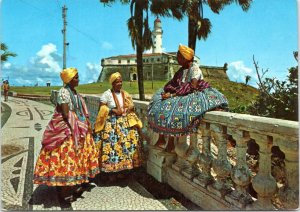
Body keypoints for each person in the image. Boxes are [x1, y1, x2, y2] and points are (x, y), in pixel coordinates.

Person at [33, 67, 100, 202]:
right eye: (76, 77)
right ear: (68, 80)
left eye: (78, 77)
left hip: (78, 126)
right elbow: (65, 113)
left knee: (78, 155)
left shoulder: (75, 93)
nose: (78, 80)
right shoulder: (64, 93)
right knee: (67, 155)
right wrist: (80, 125)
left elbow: (82, 112)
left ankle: (75, 182)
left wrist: (86, 124)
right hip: (66, 128)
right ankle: (64, 191)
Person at [147, 44, 229, 152]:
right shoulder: (181, 70)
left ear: (185, 58)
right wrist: (167, 92)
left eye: (179, 56)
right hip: (180, 93)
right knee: (161, 104)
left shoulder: (194, 69)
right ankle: (162, 138)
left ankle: (170, 143)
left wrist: (172, 95)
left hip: (193, 93)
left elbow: (192, 87)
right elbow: (173, 83)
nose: (177, 58)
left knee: (175, 110)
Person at [93, 72, 143, 181]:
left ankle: (122, 170)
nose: (119, 84)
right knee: (112, 147)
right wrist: (112, 110)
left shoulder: (125, 94)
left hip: (124, 123)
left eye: (121, 81)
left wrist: (128, 108)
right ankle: (111, 172)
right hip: (111, 124)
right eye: (117, 82)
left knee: (126, 146)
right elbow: (101, 109)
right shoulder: (107, 94)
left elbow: (131, 106)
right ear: (112, 83)